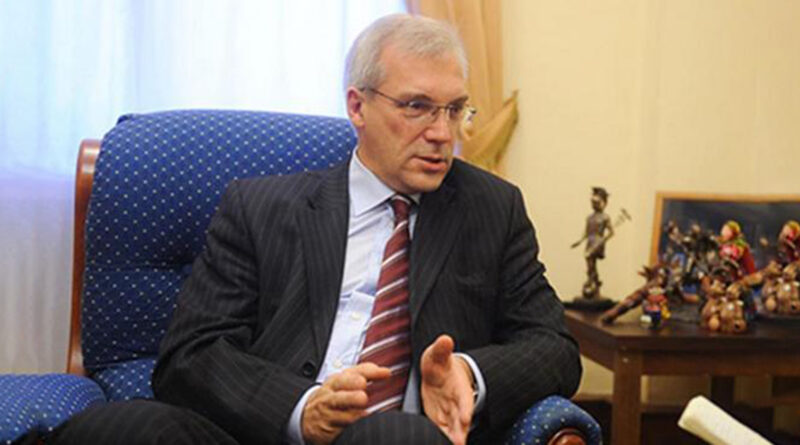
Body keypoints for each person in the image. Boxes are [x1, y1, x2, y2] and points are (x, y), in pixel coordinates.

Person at [50, 14, 580, 445]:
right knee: (121, 428)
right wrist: (300, 409)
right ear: (357, 106)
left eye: (455, 110)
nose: (443, 133)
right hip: (263, 431)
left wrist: (470, 372)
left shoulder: (492, 209)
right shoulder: (260, 208)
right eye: (417, 107)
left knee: (392, 436)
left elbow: (553, 346)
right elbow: (189, 357)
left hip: (403, 435)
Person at [571, 187, 613, 299]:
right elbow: (586, 232)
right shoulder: (589, 218)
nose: (595, 205)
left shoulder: (605, 217)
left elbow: (611, 232)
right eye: (593, 202)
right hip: (590, 241)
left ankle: (593, 281)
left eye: (597, 202)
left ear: (604, 203)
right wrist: (579, 241)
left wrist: (603, 240)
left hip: (598, 242)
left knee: (590, 259)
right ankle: (594, 281)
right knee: (590, 263)